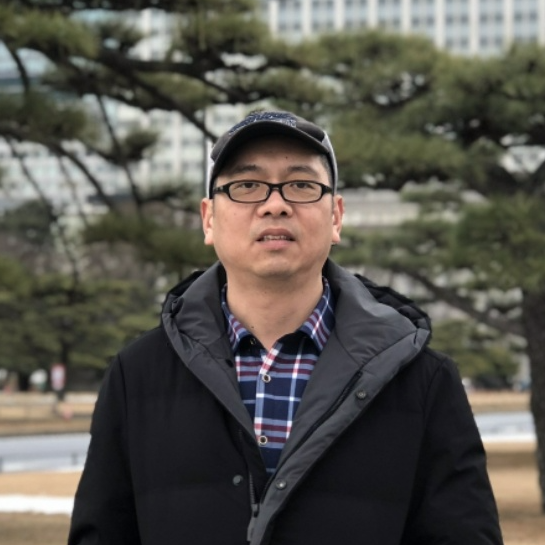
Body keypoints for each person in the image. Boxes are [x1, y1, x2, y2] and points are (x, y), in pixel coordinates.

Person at [68, 110, 504, 545]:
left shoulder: (422, 381)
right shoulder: (137, 375)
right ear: (209, 219)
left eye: (301, 185)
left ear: (336, 217)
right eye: (246, 185)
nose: (275, 204)